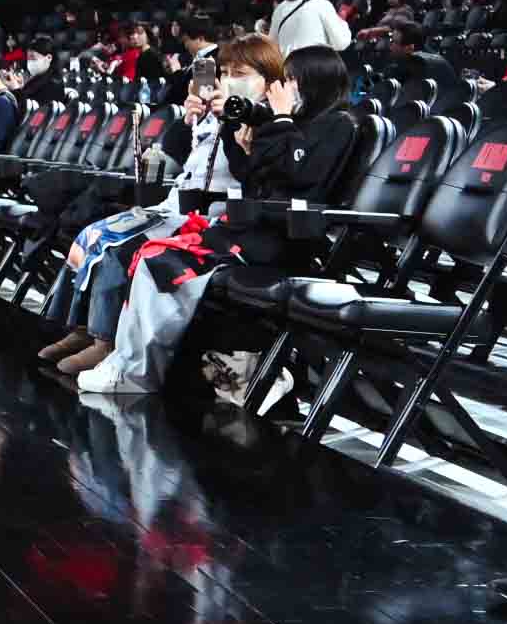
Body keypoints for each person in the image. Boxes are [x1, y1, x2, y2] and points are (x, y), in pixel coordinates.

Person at [71, 42, 359, 392]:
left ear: (314, 81)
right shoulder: (294, 124)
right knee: (149, 255)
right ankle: (127, 360)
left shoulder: (339, 124)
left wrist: (280, 120)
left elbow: (302, 176)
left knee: (161, 263)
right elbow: (254, 178)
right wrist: (238, 135)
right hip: (252, 228)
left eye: (290, 80)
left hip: (283, 238)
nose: (282, 88)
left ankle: (135, 371)